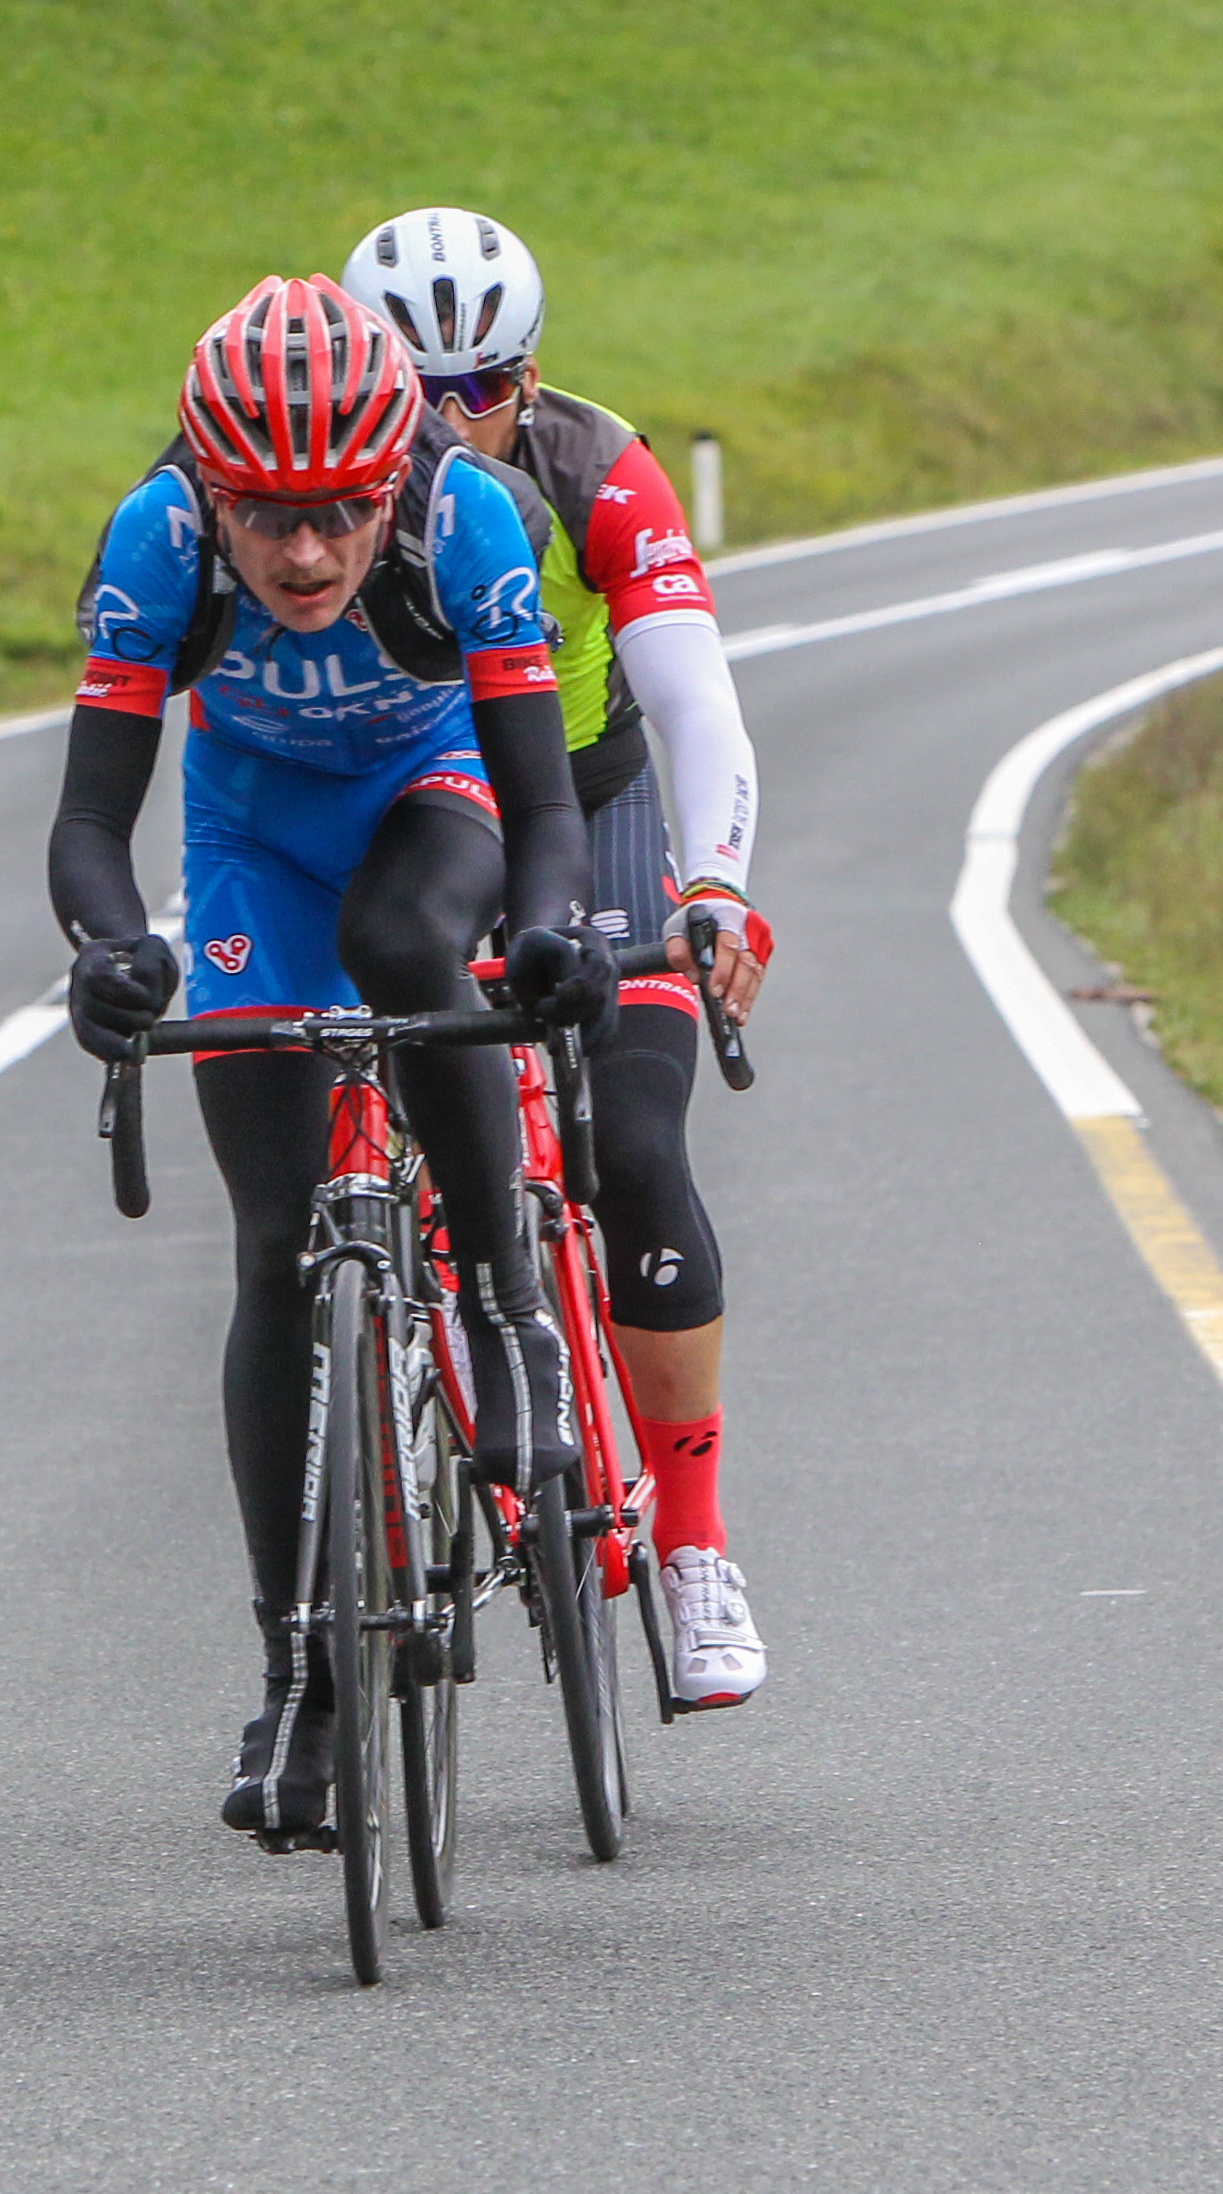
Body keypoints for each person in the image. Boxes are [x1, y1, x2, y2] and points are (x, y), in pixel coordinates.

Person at [50, 274, 616, 1838]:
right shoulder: (154, 540)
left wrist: (557, 924)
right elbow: (96, 820)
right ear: (210, 495)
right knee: (274, 1252)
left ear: (394, 488)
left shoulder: (473, 524)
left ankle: (509, 1313)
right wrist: (108, 953)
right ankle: (296, 1676)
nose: (304, 556)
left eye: (340, 517)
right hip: (251, 834)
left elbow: (544, 797)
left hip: (433, 796)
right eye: (267, 518)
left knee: (405, 947)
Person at [341, 207, 773, 1706]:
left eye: (488, 387)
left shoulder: (599, 468)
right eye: (421, 396)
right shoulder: (320, 487)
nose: (459, 422)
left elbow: (696, 697)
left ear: (532, 372)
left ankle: (698, 1546)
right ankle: (415, 1414)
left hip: (590, 800)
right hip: (411, 819)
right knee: (381, 1137)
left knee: (639, 1145)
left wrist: (714, 887)